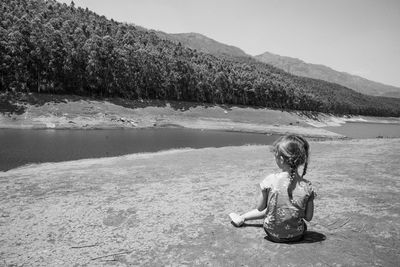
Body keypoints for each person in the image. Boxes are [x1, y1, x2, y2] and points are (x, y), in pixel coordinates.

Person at [229, 134, 315, 242]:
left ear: (282, 159)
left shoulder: (270, 180)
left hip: (272, 233)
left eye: (275, 155)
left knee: (272, 208)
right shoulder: (307, 186)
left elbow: (260, 208)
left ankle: (242, 217)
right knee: (278, 209)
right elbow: (308, 217)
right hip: (296, 235)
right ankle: (242, 217)